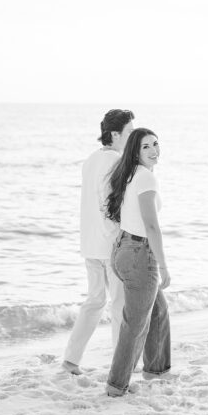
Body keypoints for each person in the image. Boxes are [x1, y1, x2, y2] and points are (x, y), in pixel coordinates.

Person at [61, 109, 133, 374]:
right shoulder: (116, 160)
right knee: (119, 304)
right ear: (115, 134)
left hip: (89, 242)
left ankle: (71, 359)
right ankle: (120, 363)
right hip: (110, 242)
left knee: (94, 301)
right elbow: (113, 204)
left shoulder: (90, 160)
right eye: (128, 132)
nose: (131, 137)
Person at [103, 127, 170, 397]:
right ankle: (116, 385)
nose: (154, 150)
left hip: (123, 249)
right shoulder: (145, 179)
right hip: (140, 255)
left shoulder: (132, 174)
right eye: (146, 146)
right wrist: (163, 266)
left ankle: (157, 370)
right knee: (135, 323)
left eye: (156, 143)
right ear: (135, 151)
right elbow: (152, 226)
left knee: (158, 311)